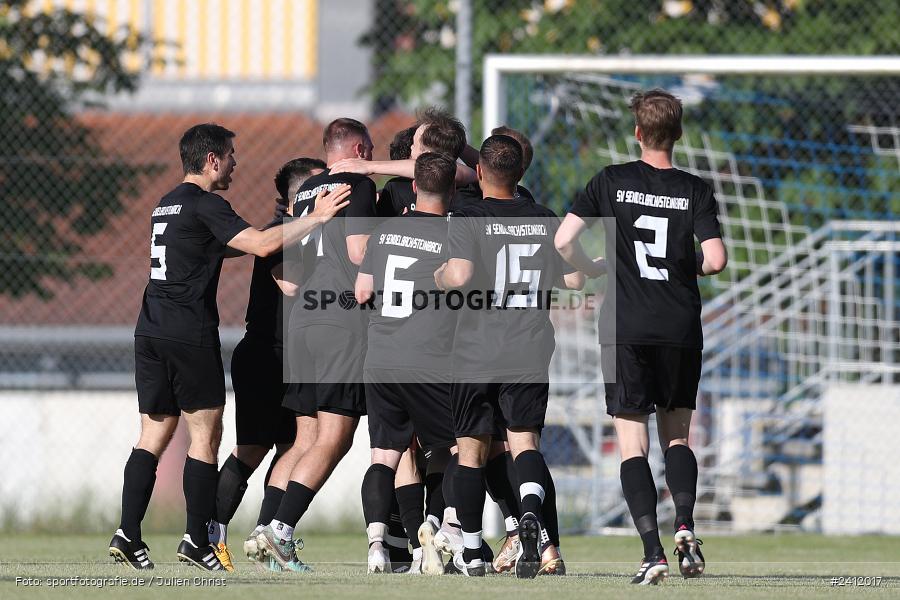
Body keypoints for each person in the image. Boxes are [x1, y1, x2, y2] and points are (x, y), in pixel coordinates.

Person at [108, 124, 349, 571]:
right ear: (213, 159)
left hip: (150, 330)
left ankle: (128, 532)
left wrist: (278, 233)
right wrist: (314, 218)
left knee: (153, 435)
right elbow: (257, 243)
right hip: (188, 334)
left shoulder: (166, 206)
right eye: (232, 155)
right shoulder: (207, 204)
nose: (236, 162)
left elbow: (231, 245)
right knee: (207, 437)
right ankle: (198, 541)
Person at [554, 89, 727, 584]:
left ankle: (651, 552)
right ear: (677, 134)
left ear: (637, 132)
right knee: (678, 437)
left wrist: (590, 268)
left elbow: (563, 241)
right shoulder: (694, 188)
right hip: (678, 326)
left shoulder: (611, 180)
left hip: (624, 328)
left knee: (633, 445)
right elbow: (715, 260)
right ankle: (687, 529)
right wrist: (681, 263)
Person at [435, 135, 584, 578]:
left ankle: (475, 549)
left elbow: (459, 275)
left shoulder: (467, 214)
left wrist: (441, 275)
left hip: (477, 346)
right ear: (521, 174)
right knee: (524, 443)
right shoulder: (543, 218)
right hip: (528, 344)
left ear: (479, 172)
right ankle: (532, 516)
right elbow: (575, 280)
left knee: (471, 450)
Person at [254, 118, 378, 573]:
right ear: (361, 149)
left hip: (302, 321)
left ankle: (265, 530)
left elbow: (288, 262)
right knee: (335, 437)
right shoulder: (356, 185)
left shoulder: (307, 192)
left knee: (305, 435)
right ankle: (281, 530)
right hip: (341, 321)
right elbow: (361, 252)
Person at [206, 157, 325, 571]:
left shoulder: (312, 235)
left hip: (295, 357)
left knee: (294, 446)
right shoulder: (279, 233)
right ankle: (210, 533)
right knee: (251, 451)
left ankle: (267, 536)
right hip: (265, 356)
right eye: (321, 186)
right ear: (301, 195)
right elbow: (292, 285)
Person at [355, 152, 459, 575]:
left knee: (384, 456)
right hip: (428, 360)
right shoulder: (454, 235)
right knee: (454, 450)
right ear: (452, 191)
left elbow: (363, 292)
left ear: (414, 187)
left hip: (381, 357)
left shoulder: (385, 231)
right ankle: (436, 530)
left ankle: (378, 545)